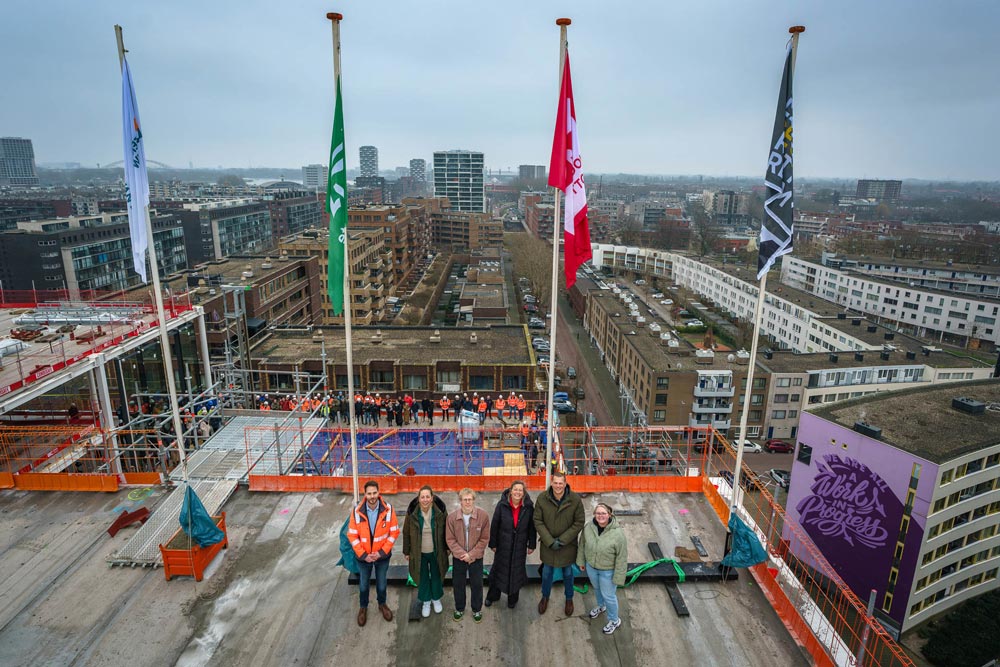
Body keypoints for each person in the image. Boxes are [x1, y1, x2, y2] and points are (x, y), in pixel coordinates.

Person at [348, 480, 400, 627]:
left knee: (382, 583)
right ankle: (363, 607)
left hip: (382, 557)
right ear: (365, 494)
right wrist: (364, 555)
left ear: (379, 493)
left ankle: (382, 604)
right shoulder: (357, 511)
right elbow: (352, 535)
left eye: (374, 493)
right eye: (369, 493)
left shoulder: (388, 510)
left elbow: (394, 532)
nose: (372, 496)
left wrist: (381, 552)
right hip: (363, 558)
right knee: (364, 584)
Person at [533, 470, 585, 616]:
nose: (558, 486)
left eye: (560, 483)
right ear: (551, 482)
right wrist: (550, 541)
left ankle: (569, 599)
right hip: (548, 546)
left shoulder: (574, 499)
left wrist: (562, 541)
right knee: (546, 573)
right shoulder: (542, 498)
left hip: (567, 546)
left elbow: (579, 522)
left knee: (568, 574)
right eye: (555, 483)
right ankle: (545, 597)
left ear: (565, 483)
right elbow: (537, 520)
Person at [577, 503, 628, 635]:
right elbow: (582, 544)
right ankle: (601, 606)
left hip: (608, 571)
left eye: (603, 513)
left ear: (609, 515)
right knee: (597, 589)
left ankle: (614, 620)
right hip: (591, 567)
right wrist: (581, 561)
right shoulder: (588, 527)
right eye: (598, 513)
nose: (600, 516)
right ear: (594, 514)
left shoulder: (618, 534)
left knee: (609, 596)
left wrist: (618, 577)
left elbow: (622, 558)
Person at [486, 480, 536, 609]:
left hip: (519, 545)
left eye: (520, 490)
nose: (518, 492)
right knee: (498, 570)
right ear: (510, 490)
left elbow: (532, 527)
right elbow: (495, 525)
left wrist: (532, 544)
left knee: (516, 572)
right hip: (503, 544)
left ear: (523, 492)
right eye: (516, 489)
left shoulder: (529, 507)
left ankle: (512, 599)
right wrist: (493, 543)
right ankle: (492, 596)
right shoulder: (502, 505)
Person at [403, 485, 449, 617]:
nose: (425, 499)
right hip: (419, 553)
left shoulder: (440, 512)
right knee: (422, 576)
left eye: (427, 497)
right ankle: (426, 601)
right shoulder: (412, 514)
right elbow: (406, 532)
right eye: (422, 497)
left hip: (436, 551)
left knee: (437, 574)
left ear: (432, 498)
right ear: (418, 499)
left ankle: (436, 599)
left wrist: (447, 548)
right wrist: (406, 551)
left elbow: (447, 530)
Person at [445, 489, 490, 622]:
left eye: (470, 499)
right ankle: (459, 608)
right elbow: (450, 539)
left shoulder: (483, 516)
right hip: (459, 558)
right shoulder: (452, 518)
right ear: (460, 501)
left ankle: (477, 609)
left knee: (477, 584)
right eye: (465, 499)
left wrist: (471, 555)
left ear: (474, 500)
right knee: (458, 584)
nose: (468, 502)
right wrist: (462, 554)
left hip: (476, 558)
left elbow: (484, 538)